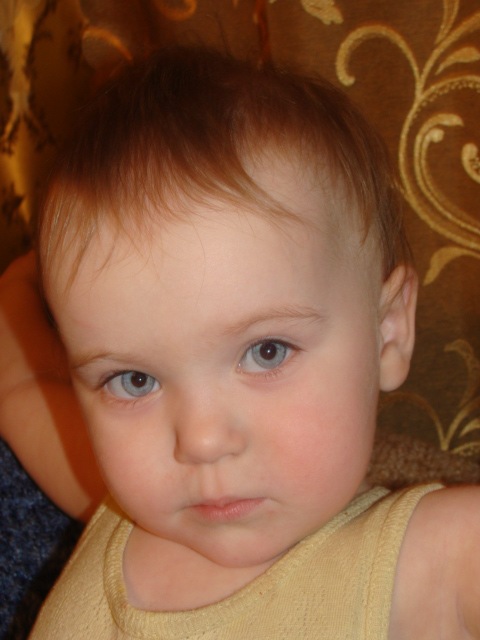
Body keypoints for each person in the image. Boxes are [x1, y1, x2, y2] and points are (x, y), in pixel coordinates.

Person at [1, 46, 479, 638]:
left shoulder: (434, 561)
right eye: (135, 380)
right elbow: (20, 384)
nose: (201, 441)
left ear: (388, 333)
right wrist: (25, 277)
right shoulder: (116, 502)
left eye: (266, 351)